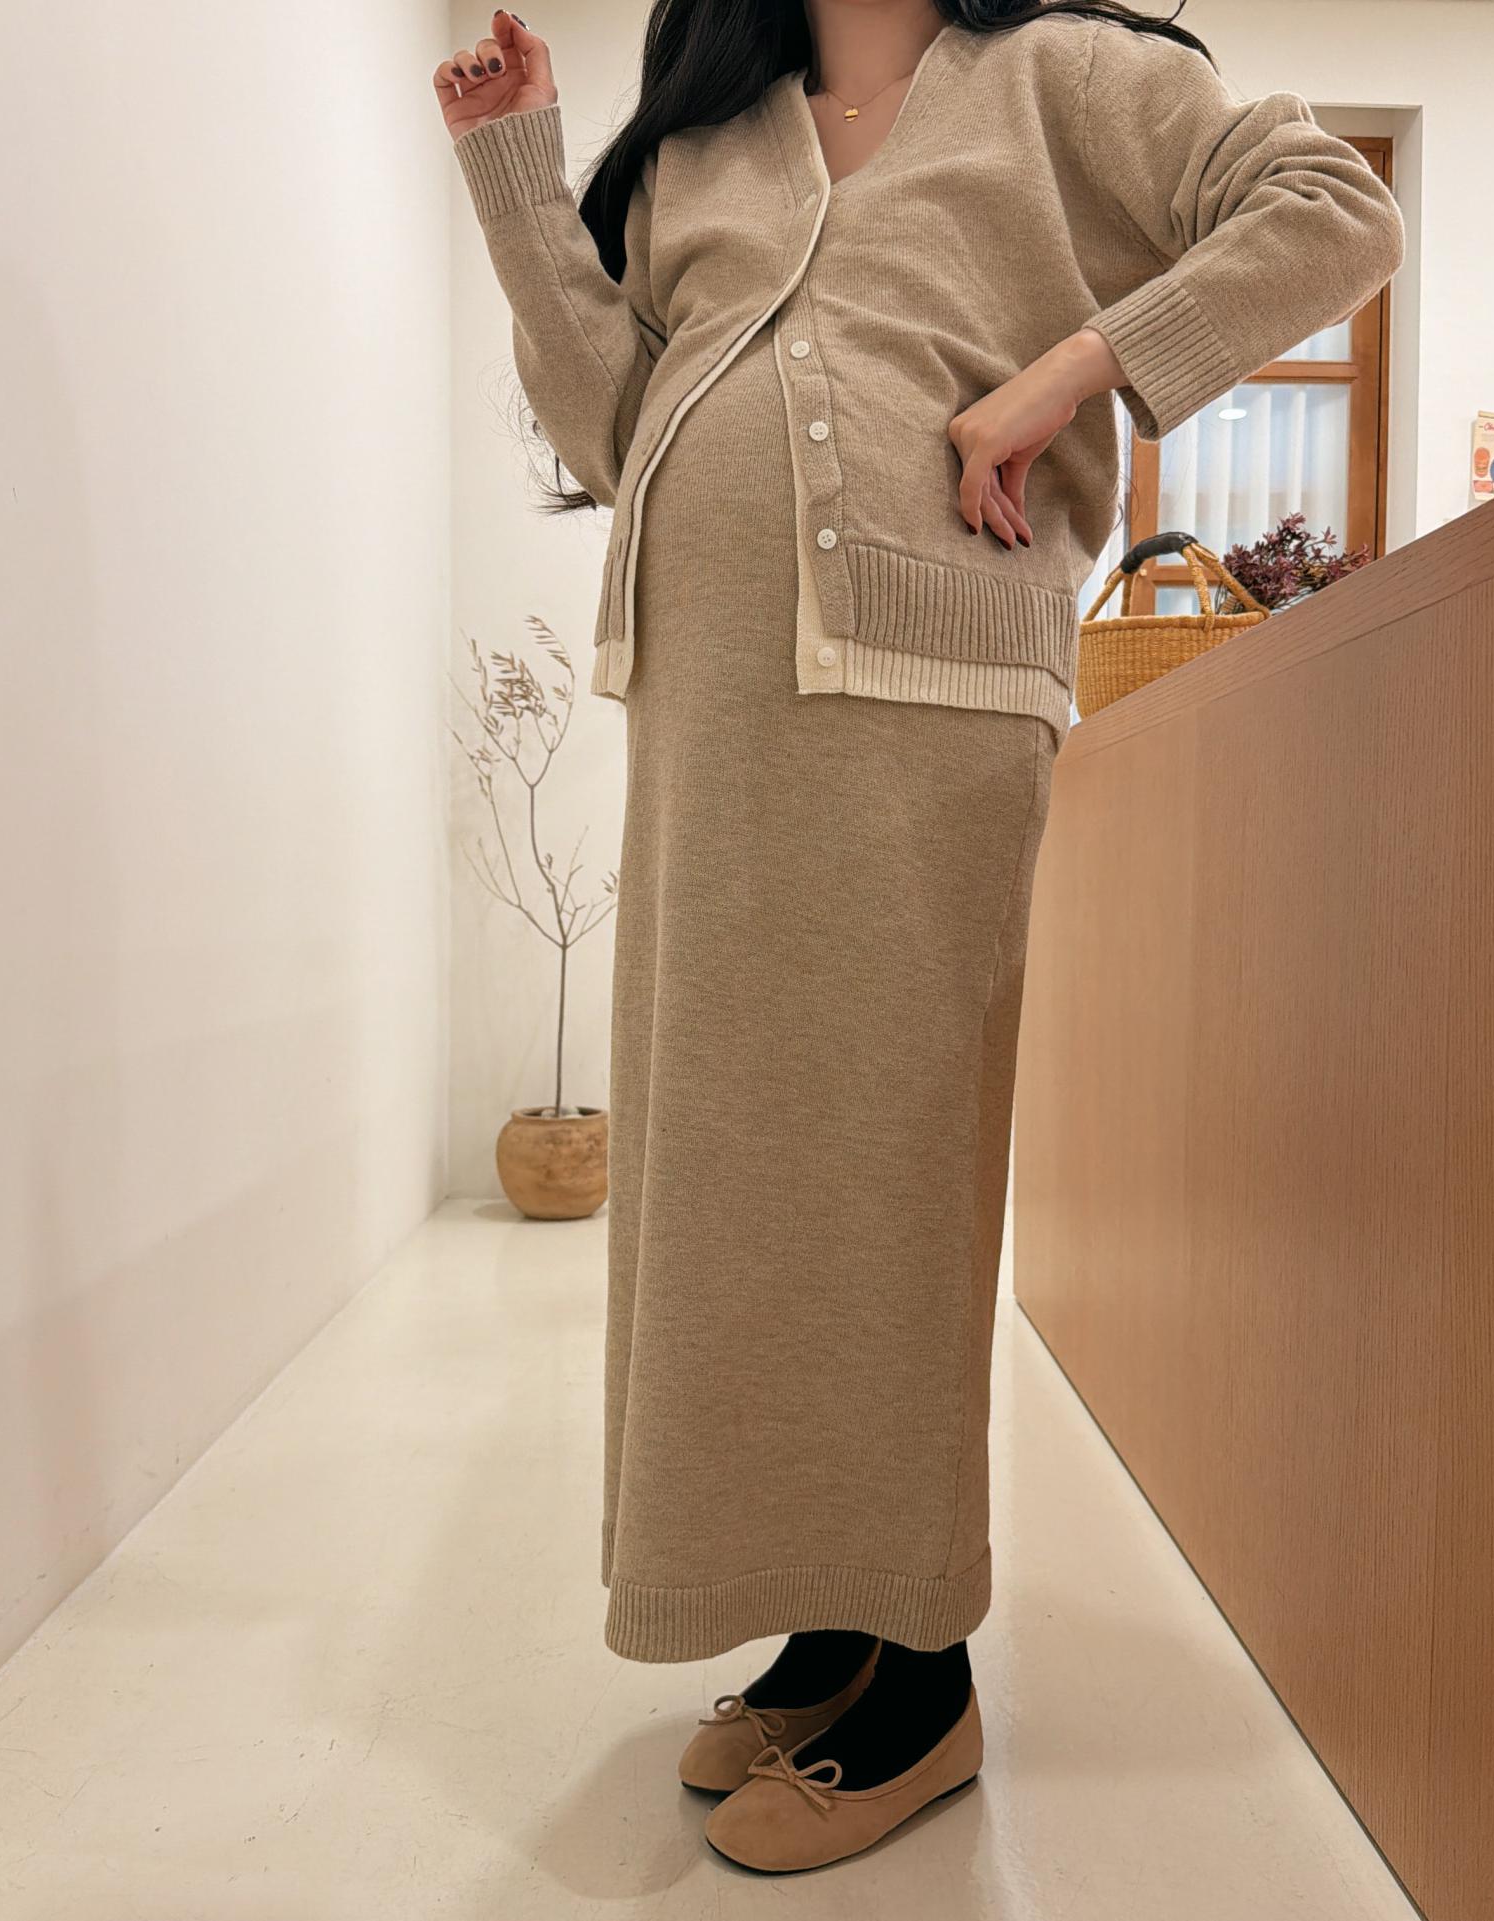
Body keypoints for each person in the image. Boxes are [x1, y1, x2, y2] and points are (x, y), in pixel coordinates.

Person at [433, 0, 1403, 1873]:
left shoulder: (1067, 79)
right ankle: (831, 1624)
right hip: (712, 707)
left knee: (888, 1169)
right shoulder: (713, 134)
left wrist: (1072, 376)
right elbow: (615, 428)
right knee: (738, 1186)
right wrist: (516, 170)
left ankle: (924, 1669)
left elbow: (1335, 210)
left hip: (931, 695)